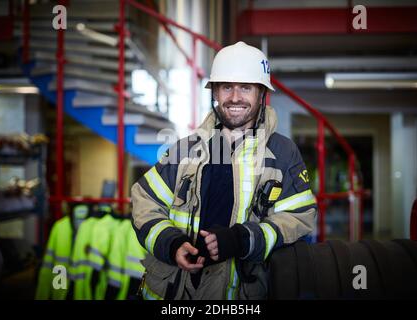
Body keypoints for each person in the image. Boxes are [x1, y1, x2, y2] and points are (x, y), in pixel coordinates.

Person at [131, 41, 317, 300]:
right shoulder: (184, 150)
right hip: (170, 295)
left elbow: (300, 217)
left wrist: (244, 239)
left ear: (261, 93)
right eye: (226, 86)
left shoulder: (283, 154)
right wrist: (170, 243)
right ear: (215, 93)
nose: (235, 97)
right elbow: (145, 202)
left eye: (246, 87)